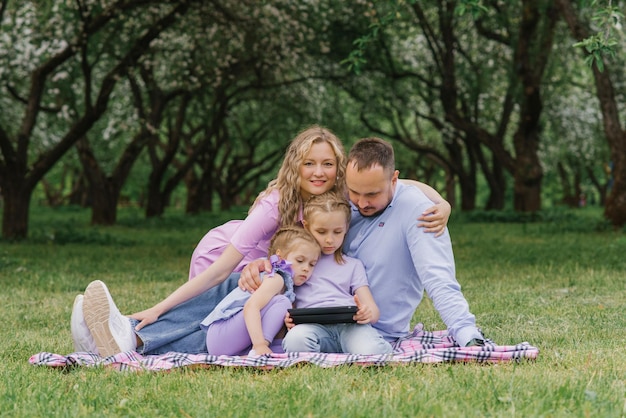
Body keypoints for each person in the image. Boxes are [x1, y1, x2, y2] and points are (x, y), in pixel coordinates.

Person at [73, 126, 451, 357]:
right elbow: (223, 266)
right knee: (223, 308)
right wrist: (156, 307)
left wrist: (442, 202)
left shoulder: (344, 196)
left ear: (339, 169)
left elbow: (400, 184)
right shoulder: (276, 205)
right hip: (238, 264)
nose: (318, 172)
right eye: (309, 163)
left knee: (227, 329)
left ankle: (124, 339)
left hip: (285, 284)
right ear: (294, 166)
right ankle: (134, 333)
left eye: (327, 164)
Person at [241, 137, 485, 348]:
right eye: (354, 192)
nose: (361, 202)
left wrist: (466, 333)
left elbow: (438, 277)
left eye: (372, 194)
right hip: (320, 324)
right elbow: (300, 248)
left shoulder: (417, 211)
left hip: (379, 331)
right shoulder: (346, 203)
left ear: (394, 180)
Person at [282, 191, 392, 355]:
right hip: (312, 328)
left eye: (337, 232)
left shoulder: (353, 265)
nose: (329, 240)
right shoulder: (297, 263)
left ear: (346, 228)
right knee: (294, 341)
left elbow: (373, 310)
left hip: (350, 327)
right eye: (321, 232)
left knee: (372, 350)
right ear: (306, 226)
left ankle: (368, 348)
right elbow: (286, 300)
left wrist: (366, 313)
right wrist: (288, 319)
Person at [203, 227, 320, 356]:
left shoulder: (287, 285)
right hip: (221, 335)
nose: (306, 268)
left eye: (312, 264)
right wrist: (259, 345)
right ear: (280, 257)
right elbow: (251, 307)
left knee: (283, 314)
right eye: (300, 261)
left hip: (226, 341)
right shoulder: (276, 277)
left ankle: (262, 350)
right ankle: (260, 348)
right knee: (282, 302)